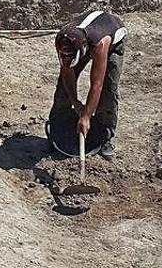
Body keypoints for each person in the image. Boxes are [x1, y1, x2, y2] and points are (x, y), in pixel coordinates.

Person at [50, 10, 127, 159]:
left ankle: (105, 136)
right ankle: (58, 130)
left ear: (82, 49)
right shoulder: (62, 41)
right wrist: (74, 102)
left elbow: (96, 85)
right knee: (62, 88)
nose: (66, 59)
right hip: (84, 39)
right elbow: (67, 73)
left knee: (108, 89)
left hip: (112, 39)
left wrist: (85, 116)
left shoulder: (100, 45)